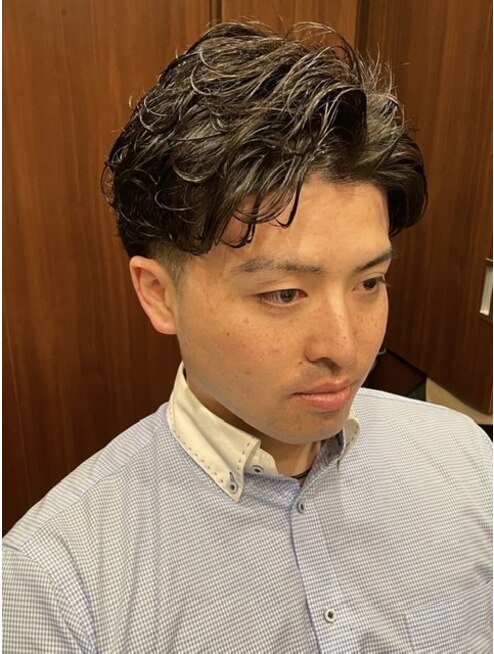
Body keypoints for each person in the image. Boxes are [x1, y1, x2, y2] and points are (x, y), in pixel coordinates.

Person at [3, 20, 491, 654]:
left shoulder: (463, 456)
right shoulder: (56, 588)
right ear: (159, 294)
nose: (346, 348)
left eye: (370, 282)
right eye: (283, 294)